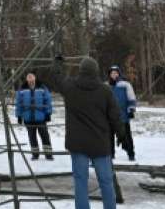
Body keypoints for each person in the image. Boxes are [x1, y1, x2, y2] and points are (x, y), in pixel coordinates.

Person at [44, 56, 124, 208]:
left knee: (80, 182)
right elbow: (115, 116)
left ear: (81, 70)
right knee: (106, 182)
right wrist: (121, 133)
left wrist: (57, 63)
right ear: (96, 71)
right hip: (100, 144)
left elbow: (56, 77)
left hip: (78, 144)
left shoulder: (70, 87)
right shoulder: (105, 90)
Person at [15, 71, 54, 160]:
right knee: (32, 136)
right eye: (29, 79)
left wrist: (48, 113)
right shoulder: (22, 89)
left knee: (44, 135)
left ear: (35, 78)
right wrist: (19, 116)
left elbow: (48, 100)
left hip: (40, 117)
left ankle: (48, 154)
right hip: (28, 117)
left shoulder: (42, 87)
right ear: (27, 80)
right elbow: (19, 103)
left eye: (32, 79)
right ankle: (35, 154)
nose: (31, 81)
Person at [107, 65, 137, 161]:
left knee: (126, 135)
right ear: (109, 75)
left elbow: (131, 98)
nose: (114, 75)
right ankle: (110, 154)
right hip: (109, 116)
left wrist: (131, 109)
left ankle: (131, 153)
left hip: (122, 115)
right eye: (112, 73)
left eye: (116, 73)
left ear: (119, 74)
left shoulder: (125, 85)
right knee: (109, 136)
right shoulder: (106, 86)